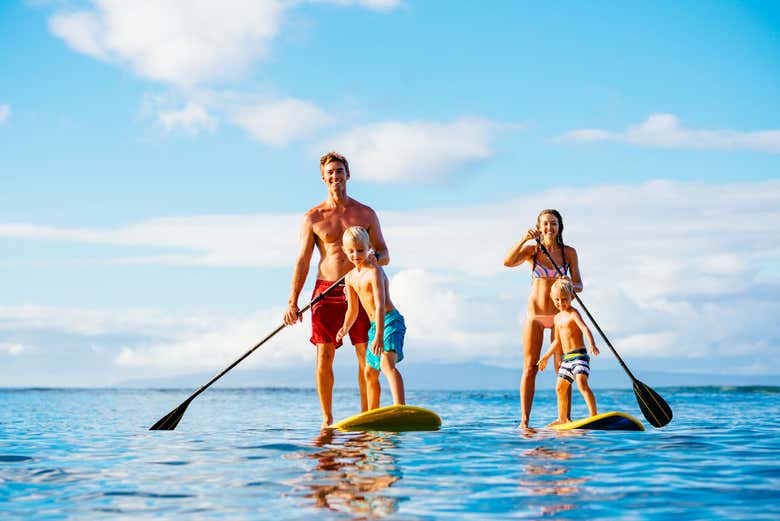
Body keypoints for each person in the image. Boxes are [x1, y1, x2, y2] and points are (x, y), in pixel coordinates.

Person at [284, 152, 389, 428]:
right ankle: (327, 419)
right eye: (330, 172)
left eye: (339, 171)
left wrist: (373, 259)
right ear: (323, 177)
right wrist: (292, 302)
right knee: (324, 354)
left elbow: (385, 252)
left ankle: (368, 416)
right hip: (325, 291)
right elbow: (303, 261)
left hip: (360, 287)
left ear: (348, 175)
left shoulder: (365, 213)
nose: (335, 176)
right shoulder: (313, 217)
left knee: (366, 354)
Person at [503, 209, 583, 429]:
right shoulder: (533, 252)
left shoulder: (569, 253)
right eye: (545, 224)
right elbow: (507, 262)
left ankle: (564, 418)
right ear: (539, 227)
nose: (550, 228)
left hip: (561, 317)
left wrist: (569, 285)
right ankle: (525, 421)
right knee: (530, 367)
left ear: (560, 227)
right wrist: (523, 239)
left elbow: (579, 285)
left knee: (563, 366)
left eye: (554, 223)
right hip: (535, 316)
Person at [336, 226, 406, 409]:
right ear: (344, 250)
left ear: (369, 248)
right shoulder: (350, 278)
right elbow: (353, 310)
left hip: (390, 321)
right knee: (369, 372)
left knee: (386, 363)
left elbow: (380, 305)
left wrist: (379, 336)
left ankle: (400, 407)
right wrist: (345, 328)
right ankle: (373, 412)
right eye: (351, 251)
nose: (355, 254)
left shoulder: (374, 272)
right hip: (375, 326)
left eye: (360, 250)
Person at [537, 279, 599, 425]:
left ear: (572, 297)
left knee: (581, 383)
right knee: (560, 388)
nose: (560, 303)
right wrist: (545, 357)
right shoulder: (557, 318)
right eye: (557, 300)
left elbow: (584, 328)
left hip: (579, 356)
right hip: (567, 359)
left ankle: (593, 414)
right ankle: (562, 418)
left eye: (564, 299)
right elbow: (557, 341)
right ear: (552, 299)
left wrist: (592, 344)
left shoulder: (573, 314)